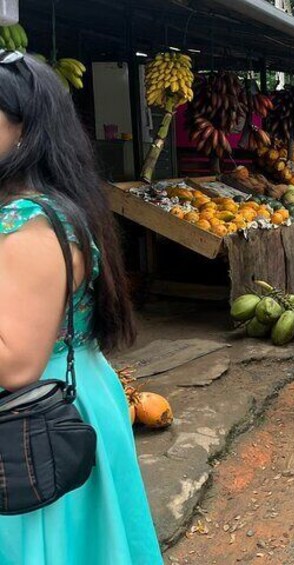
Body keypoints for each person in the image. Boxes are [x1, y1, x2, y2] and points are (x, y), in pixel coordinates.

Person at [0, 51, 161, 564]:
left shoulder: (29, 221)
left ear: (23, 130)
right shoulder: (53, 204)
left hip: (34, 416)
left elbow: (17, 362)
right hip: (71, 398)